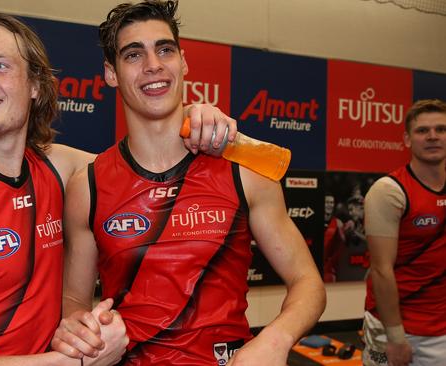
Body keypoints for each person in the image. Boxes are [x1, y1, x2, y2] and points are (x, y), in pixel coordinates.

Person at [0, 11, 237, 366]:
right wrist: (74, 363)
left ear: (35, 84)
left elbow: (150, 156)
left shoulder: (58, 168)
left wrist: (198, 117)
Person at [58, 1, 326, 365]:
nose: (153, 65)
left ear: (182, 62)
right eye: (133, 54)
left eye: (164, 50)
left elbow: (308, 281)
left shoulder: (243, 170)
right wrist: (81, 329)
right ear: (110, 73)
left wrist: (276, 339)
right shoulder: (87, 186)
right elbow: (74, 302)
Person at [362, 99, 446, 366]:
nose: (433, 136)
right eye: (423, 131)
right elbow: (381, 270)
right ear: (407, 139)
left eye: (441, 129)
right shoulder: (388, 191)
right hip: (401, 328)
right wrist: (395, 336)